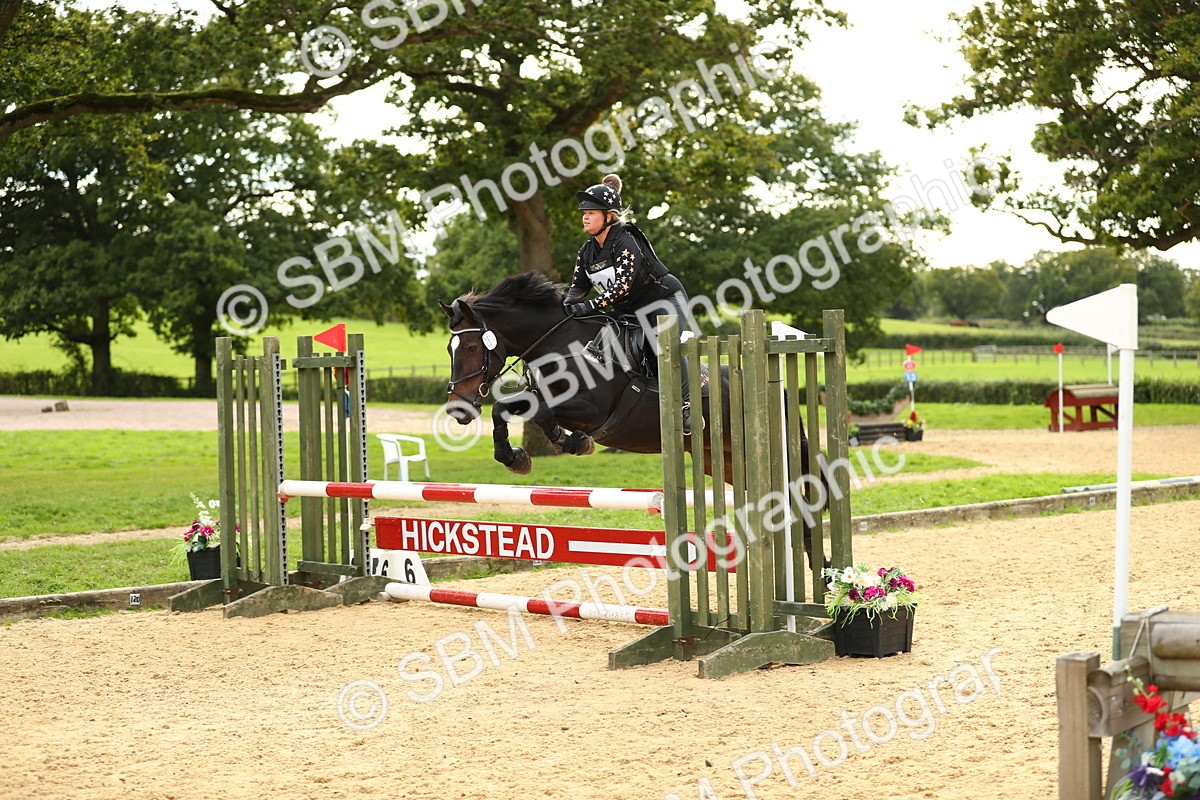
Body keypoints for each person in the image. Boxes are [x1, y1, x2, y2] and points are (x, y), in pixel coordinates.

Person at [563, 174, 699, 435]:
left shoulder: (626, 240)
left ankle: (687, 406)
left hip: (664, 301)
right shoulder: (586, 251)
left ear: (609, 216)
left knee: (659, 341)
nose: (585, 217)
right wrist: (566, 308)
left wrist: (589, 307)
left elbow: (622, 286)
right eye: (584, 213)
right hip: (628, 309)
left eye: (591, 212)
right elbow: (578, 288)